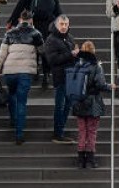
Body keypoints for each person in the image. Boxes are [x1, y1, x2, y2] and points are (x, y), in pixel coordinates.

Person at [6, 0, 62, 88]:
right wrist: (63, 24)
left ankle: (35, 71)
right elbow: (58, 9)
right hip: (48, 25)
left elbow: (20, 6)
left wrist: (12, 21)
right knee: (46, 49)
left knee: (33, 48)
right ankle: (46, 75)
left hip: (33, 23)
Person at [0, 10, 43, 145]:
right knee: (21, 102)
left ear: (20, 19)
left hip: (10, 71)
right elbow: (43, 51)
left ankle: (13, 120)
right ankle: (19, 134)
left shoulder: (9, 33)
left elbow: (1, 54)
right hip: (25, 73)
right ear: (31, 20)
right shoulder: (36, 34)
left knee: (12, 95)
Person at [72, 41, 115, 169]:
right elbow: (100, 84)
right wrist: (110, 86)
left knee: (82, 131)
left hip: (79, 101)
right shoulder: (96, 66)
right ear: (93, 51)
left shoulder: (77, 65)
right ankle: (90, 158)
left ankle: (80, 159)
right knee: (91, 131)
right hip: (93, 102)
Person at [44, 14, 78, 144]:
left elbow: (73, 55)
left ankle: (60, 130)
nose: (64, 27)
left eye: (66, 24)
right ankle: (58, 133)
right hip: (60, 77)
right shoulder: (51, 39)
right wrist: (70, 54)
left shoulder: (70, 38)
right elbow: (52, 60)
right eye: (61, 24)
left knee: (68, 105)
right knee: (60, 105)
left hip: (71, 77)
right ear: (56, 25)